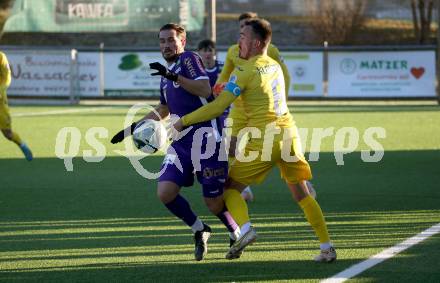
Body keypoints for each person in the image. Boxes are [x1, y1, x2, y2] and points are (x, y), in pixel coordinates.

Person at [174, 19, 336, 262]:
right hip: (289, 135)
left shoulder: (244, 70)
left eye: (243, 36)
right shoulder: (273, 65)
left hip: (266, 141)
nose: (239, 40)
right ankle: (327, 247)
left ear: (256, 42)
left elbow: (218, 107)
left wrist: (183, 121)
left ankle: (246, 229)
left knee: (228, 189)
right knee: (302, 193)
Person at [111, 23, 240, 261]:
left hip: (207, 140)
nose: (166, 45)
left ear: (182, 41)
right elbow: (164, 108)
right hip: (180, 143)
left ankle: (236, 232)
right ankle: (200, 229)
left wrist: (172, 75)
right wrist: (132, 127)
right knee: (165, 192)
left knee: (213, 202)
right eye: (162, 41)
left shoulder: (189, 59)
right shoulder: (166, 73)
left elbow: (204, 89)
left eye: (171, 40)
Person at [197, 39, 254, 202]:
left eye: (210, 50)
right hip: (206, 116)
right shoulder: (196, 71)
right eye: (204, 50)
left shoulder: (224, 68)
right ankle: (228, 186)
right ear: (199, 53)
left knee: (227, 149)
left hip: (227, 114)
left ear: (215, 53)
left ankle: (240, 187)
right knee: (212, 152)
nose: (207, 53)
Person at [0, 51, 33, 161]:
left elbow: (7, 78)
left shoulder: (1, 57)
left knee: (7, 134)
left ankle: (22, 145)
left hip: (0, 101)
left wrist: (1, 89)